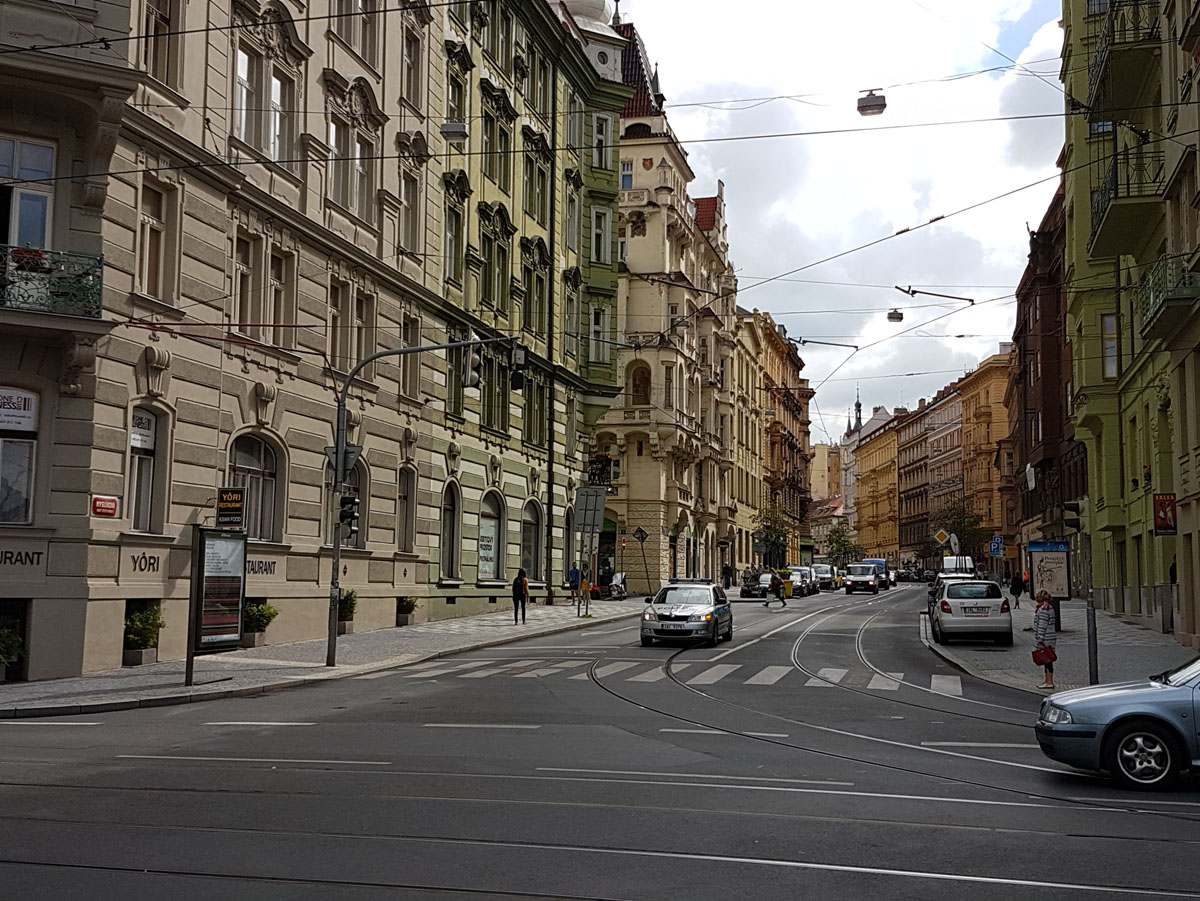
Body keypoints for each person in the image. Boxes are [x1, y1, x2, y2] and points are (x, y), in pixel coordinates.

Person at [1033, 589, 1057, 689]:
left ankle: (1049, 681)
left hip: (1046, 638)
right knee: (1048, 659)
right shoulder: (1049, 608)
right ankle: (1047, 680)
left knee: (1047, 660)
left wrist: (1040, 637)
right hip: (1050, 637)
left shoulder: (1043, 609)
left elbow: (1042, 624)